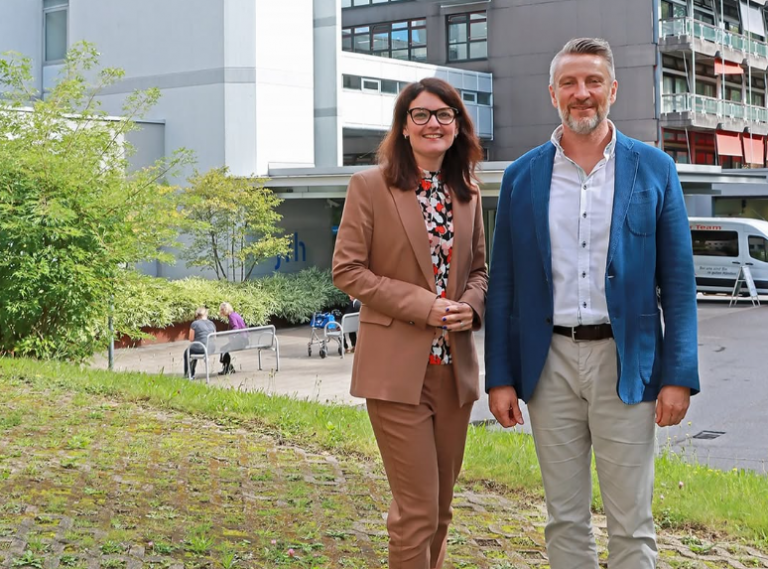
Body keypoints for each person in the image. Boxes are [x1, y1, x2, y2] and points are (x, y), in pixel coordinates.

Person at [484, 38, 700, 569]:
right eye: (569, 84)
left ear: (613, 90)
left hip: (626, 363)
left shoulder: (654, 169)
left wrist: (679, 375)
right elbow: (504, 285)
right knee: (563, 516)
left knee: (632, 521)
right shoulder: (521, 176)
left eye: (593, 82)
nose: (582, 94)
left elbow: (677, 283)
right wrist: (500, 377)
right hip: (547, 362)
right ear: (552, 94)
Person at [333, 77, 487, 569]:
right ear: (402, 127)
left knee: (440, 512)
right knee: (416, 512)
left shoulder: (467, 192)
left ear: (458, 127)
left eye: (444, 115)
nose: (433, 124)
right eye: (420, 115)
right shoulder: (369, 186)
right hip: (396, 373)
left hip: (453, 371)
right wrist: (425, 305)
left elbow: (480, 272)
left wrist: (471, 306)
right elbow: (348, 270)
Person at [183, 306, 216, 380]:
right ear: (206, 314)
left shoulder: (194, 324)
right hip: (211, 348)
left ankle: (189, 374)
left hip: (202, 348)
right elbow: (215, 338)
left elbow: (191, 339)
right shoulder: (212, 323)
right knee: (194, 348)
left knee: (187, 352)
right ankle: (191, 373)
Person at [218, 302, 247, 375]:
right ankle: (228, 367)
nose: (221, 311)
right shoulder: (234, 314)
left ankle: (227, 368)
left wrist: (231, 335)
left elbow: (236, 327)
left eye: (222, 310)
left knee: (223, 349)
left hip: (241, 341)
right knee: (224, 349)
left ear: (226, 309)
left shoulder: (231, 316)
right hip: (244, 339)